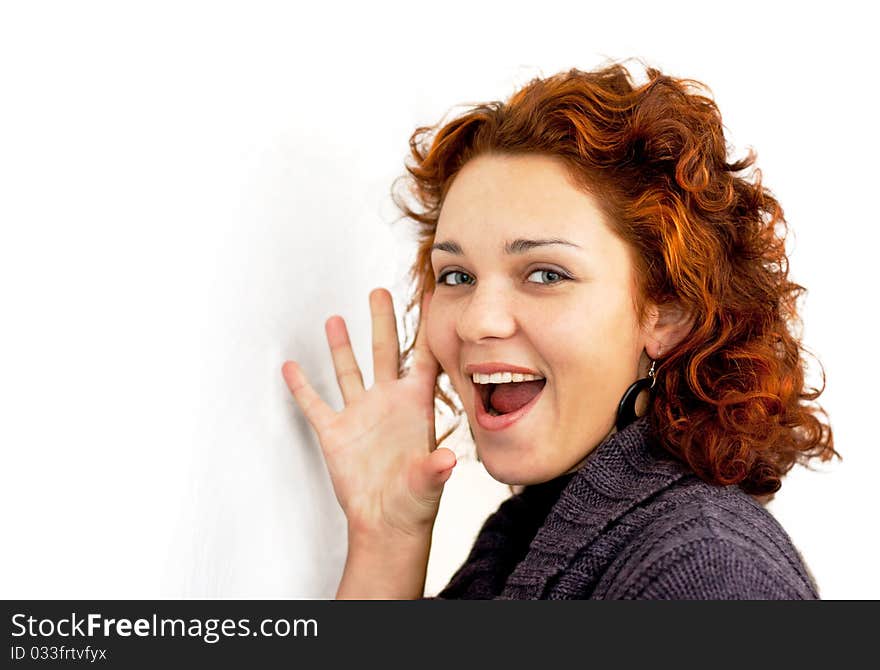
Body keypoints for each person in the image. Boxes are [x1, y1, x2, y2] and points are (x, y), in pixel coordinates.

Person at [280, 57, 838, 599]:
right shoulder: (524, 539)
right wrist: (387, 540)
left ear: (667, 312)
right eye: (456, 274)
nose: (478, 320)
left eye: (545, 273)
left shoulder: (710, 572)